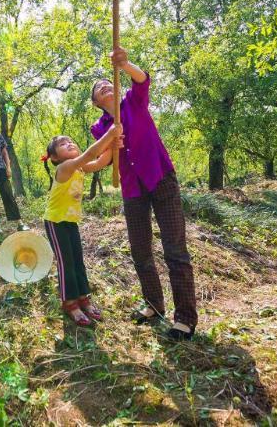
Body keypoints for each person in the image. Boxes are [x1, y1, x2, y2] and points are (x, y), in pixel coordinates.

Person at [90, 46, 198, 341]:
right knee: (140, 251)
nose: (105, 87)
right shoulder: (99, 127)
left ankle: (185, 318)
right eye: (100, 89)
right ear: (97, 102)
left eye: (108, 83)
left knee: (175, 250)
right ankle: (153, 305)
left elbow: (141, 80)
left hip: (160, 177)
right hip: (133, 190)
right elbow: (104, 159)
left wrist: (124, 63)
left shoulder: (132, 102)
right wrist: (82, 162)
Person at [42, 125, 122, 326]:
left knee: (78, 260)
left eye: (70, 140)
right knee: (65, 262)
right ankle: (70, 303)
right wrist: (110, 134)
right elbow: (92, 153)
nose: (69, 143)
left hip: (70, 221)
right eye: (62, 143)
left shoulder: (80, 166)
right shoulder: (65, 167)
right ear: (54, 157)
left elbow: (100, 161)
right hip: (55, 221)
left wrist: (113, 146)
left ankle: (83, 297)